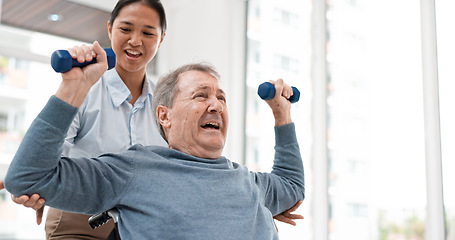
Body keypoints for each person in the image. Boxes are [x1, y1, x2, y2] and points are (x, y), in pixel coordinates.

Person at [0, 0, 303, 238]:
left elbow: (291, 186)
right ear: (164, 116)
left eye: (221, 97)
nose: (215, 105)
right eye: (201, 95)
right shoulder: (95, 101)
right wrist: (72, 88)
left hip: (135, 213)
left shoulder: (244, 181)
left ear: (161, 39)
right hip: (83, 211)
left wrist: (281, 113)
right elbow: (35, 174)